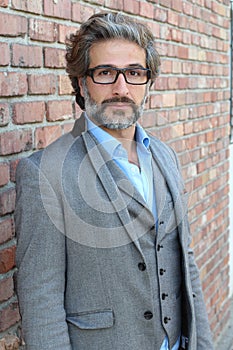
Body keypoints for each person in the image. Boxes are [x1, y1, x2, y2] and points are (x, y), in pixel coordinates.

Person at [15, 12, 213, 350]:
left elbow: (186, 262)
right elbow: (40, 299)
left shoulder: (166, 157)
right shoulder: (43, 172)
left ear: (148, 82)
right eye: (105, 73)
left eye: (134, 73)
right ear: (81, 82)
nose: (121, 89)